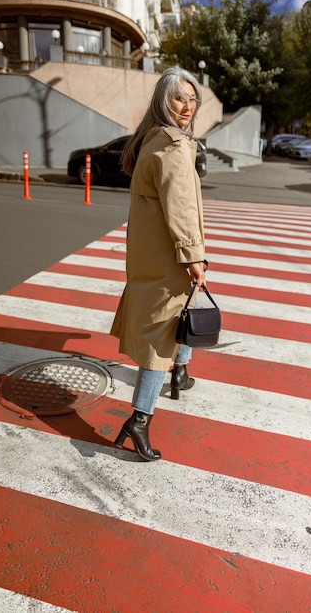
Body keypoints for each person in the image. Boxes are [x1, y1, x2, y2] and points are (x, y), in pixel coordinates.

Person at [110, 65, 206, 462]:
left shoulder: (151, 140)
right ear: (162, 101)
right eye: (178, 97)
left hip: (151, 254)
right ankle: (140, 418)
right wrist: (193, 255)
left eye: (192, 98)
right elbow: (180, 207)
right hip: (170, 257)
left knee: (185, 311)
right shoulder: (171, 146)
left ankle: (181, 371)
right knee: (159, 342)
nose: (187, 105)